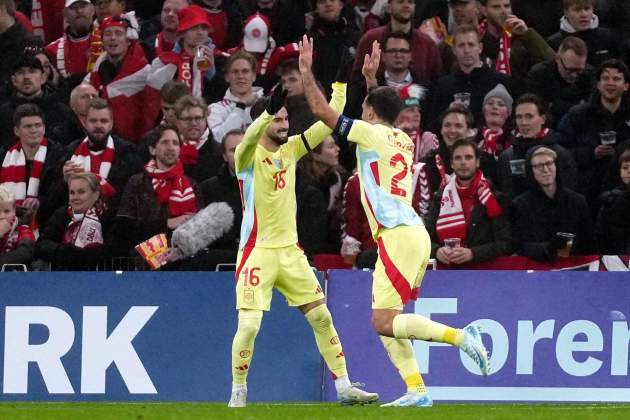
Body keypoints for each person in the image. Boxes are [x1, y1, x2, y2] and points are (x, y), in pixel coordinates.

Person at [299, 35, 488, 407]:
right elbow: (380, 110)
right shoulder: (400, 137)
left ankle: (463, 338)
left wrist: (307, 73)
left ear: (368, 113)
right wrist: (371, 84)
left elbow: (323, 111)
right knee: (387, 319)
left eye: (365, 108)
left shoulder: (370, 132)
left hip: (399, 234)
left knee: (384, 321)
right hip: (408, 233)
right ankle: (416, 390)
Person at [227, 60, 377, 407]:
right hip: (257, 253)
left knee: (322, 317)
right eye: (276, 119)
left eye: (284, 119)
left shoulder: (292, 148)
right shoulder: (247, 156)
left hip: (290, 253)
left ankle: (344, 387)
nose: (283, 124)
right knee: (249, 327)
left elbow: (326, 126)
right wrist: (266, 113)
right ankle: (238, 392)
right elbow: (250, 137)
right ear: (263, 122)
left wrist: (339, 86)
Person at [111, 124, 203, 264]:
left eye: (175, 143)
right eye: (165, 142)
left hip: (182, 257)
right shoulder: (137, 182)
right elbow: (125, 228)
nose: (171, 147)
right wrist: (167, 223)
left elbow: (199, 229)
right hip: (143, 257)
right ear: (152, 149)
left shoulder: (192, 185)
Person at [557, 59, 630, 215]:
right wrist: (591, 154)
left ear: (626, 86)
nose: (610, 83)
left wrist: (620, 154)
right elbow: (561, 153)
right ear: (597, 84)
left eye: (616, 79)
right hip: (586, 194)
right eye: (605, 78)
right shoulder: (576, 115)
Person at [425, 138, 511, 266]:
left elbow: (506, 243)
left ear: (477, 162)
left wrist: (473, 253)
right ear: (452, 164)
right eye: (458, 158)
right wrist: (436, 251)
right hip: (447, 272)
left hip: (483, 272)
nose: (463, 162)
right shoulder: (440, 197)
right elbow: (423, 238)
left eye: (468, 157)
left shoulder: (494, 197)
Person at [511, 146, 595, 261]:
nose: (545, 169)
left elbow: (590, 241)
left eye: (549, 163)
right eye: (538, 166)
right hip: (536, 267)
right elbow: (518, 244)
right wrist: (546, 249)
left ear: (556, 166)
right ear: (530, 171)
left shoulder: (577, 201)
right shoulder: (520, 205)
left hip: (573, 266)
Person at [62, 98, 144, 212]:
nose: (98, 125)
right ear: (84, 123)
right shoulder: (69, 153)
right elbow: (57, 201)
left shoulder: (129, 155)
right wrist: (64, 181)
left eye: (104, 121)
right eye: (93, 121)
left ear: (111, 124)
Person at [428, 25, 513, 126]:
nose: (466, 50)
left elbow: (512, 119)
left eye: (471, 45)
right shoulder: (444, 85)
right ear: (454, 50)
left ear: (480, 48)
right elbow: (431, 125)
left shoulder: (500, 81)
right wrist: (448, 113)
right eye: (461, 45)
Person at [85, 14, 151, 143]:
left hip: (134, 143)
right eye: (108, 34)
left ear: (128, 39)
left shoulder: (145, 73)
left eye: (118, 33)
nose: (113, 38)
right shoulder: (95, 73)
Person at [498, 93, 577, 199]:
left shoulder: (561, 155)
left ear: (542, 119)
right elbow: (507, 196)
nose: (523, 122)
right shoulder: (507, 156)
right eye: (519, 117)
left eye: (529, 116)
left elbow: (569, 196)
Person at [0, 104, 66, 229]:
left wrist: (40, 202)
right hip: (7, 226)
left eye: (38, 125)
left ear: (44, 128)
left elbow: (61, 195)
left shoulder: (59, 156)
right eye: (28, 126)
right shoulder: (4, 157)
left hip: (47, 224)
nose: (34, 130)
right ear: (16, 131)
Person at [351, 0, 442, 85]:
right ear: (388, 7)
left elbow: (436, 82)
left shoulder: (428, 44)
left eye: (410, 2)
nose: (406, 5)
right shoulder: (370, 39)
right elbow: (356, 80)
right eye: (400, 1)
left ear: (415, 7)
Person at [36, 172, 112, 270]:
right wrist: (66, 252)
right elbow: (42, 244)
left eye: (81, 192)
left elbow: (111, 250)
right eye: (72, 193)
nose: (75, 197)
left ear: (96, 195)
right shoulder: (62, 214)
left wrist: (85, 255)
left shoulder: (108, 216)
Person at [0, 55, 75, 149]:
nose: (26, 77)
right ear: (14, 80)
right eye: (20, 73)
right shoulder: (3, 113)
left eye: (32, 71)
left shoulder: (62, 112)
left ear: (43, 77)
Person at [296, 135, 349, 259]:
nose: (338, 149)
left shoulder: (340, 178)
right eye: (331, 146)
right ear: (315, 155)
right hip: (309, 255)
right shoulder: (305, 188)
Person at [477, 0, 554, 82]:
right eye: (496, 7)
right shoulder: (475, 38)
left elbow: (555, 64)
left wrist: (528, 34)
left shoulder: (523, 38)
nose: (504, 11)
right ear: (484, 11)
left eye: (507, 6)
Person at [526, 36, 593, 127]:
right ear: (557, 59)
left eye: (579, 70)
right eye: (569, 70)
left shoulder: (589, 74)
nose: (574, 75)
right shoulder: (539, 75)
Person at [199, 128, 243, 269]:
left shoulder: (272, 186)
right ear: (224, 156)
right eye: (233, 150)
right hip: (219, 265)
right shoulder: (207, 189)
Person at [207, 50, 263, 144]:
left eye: (245, 71)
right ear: (227, 77)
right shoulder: (215, 109)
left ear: (254, 76)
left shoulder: (269, 104)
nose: (240, 76)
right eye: (235, 72)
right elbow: (221, 140)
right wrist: (240, 107)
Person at [45, 0, 103, 87]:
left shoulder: (108, 44)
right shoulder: (52, 50)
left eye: (83, 6)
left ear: (92, 9)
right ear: (65, 14)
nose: (79, 11)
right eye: (73, 7)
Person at [547, 0, 619, 69]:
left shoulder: (607, 36)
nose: (583, 14)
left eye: (587, 9)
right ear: (566, 12)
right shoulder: (554, 42)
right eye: (577, 10)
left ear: (593, 9)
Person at [596, 149, 630, 254]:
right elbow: (600, 234)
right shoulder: (610, 199)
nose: (629, 171)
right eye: (625, 168)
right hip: (616, 259)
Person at [0, 185, 35, 268]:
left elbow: (26, 252)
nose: (2, 216)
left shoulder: (23, 229)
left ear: (14, 211)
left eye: (7, 211)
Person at [477, 83, 513, 158]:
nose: (495, 107)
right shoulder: (473, 137)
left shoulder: (515, 140)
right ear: (483, 110)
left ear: (508, 113)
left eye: (501, 104)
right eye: (490, 103)